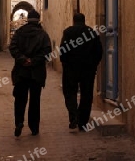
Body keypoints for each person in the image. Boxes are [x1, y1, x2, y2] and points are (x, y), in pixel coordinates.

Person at [9, 9, 51, 137]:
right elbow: (47, 52)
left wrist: (23, 60)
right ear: (38, 20)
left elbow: (13, 48)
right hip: (36, 74)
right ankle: (34, 128)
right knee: (35, 101)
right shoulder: (43, 35)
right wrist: (33, 61)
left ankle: (19, 122)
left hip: (21, 72)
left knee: (20, 99)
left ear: (28, 19)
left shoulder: (19, 33)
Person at [59, 13, 103, 131]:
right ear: (84, 21)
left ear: (73, 21)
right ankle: (82, 122)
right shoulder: (92, 33)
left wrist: (65, 64)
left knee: (69, 92)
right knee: (86, 94)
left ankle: (73, 117)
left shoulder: (68, 32)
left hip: (71, 69)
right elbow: (99, 51)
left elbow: (63, 50)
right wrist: (93, 65)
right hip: (88, 69)